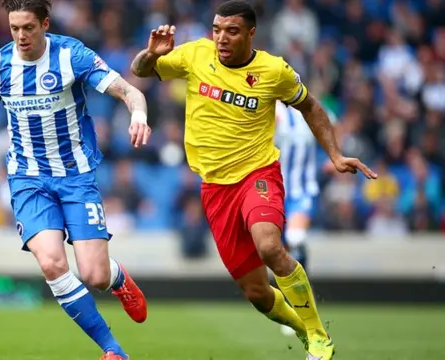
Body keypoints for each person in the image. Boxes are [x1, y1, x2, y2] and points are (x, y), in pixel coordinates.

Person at [130, 1, 377, 359]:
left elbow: (310, 106)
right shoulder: (196, 54)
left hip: (257, 174)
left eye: (231, 31)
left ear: (250, 33)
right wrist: (150, 54)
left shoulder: (273, 71)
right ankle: (301, 327)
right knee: (258, 295)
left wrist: (335, 154)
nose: (221, 38)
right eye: (217, 29)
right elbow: (141, 71)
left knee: (270, 246)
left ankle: (319, 334)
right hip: (215, 187)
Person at [0, 1, 151, 359]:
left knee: (93, 275)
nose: (20, 36)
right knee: (51, 262)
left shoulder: (72, 56)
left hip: (76, 176)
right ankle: (112, 350)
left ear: (45, 24)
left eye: (28, 28)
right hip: (27, 178)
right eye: (14, 28)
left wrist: (138, 114)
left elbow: (130, 91)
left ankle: (117, 278)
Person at [274, 100, 320, 337]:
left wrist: (335, 156)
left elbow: (331, 126)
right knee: (277, 250)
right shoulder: (273, 110)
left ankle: (301, 306)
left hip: (301, 190)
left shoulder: (311, 109)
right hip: (275, 190)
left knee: (296, 238)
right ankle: (290, 303)